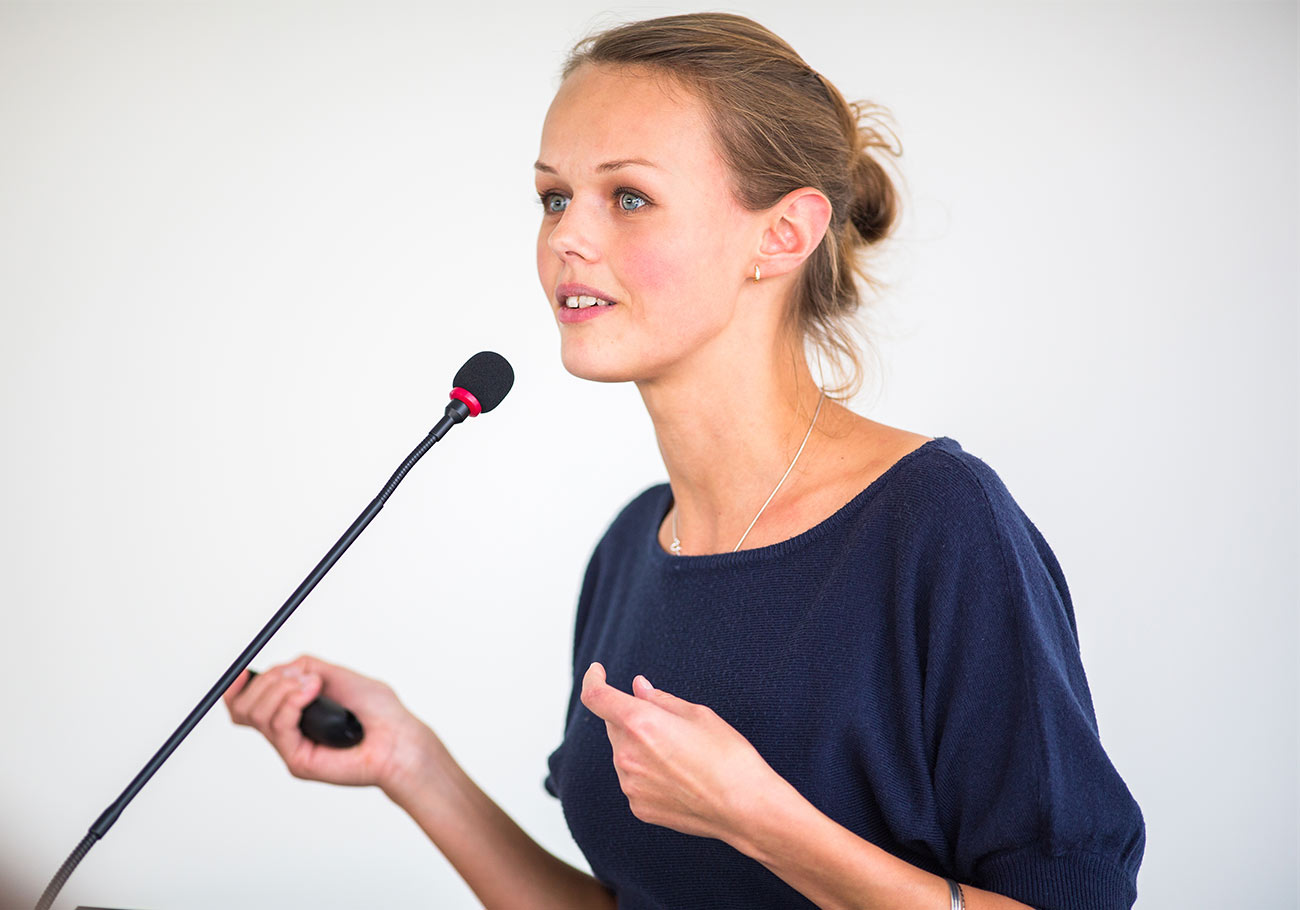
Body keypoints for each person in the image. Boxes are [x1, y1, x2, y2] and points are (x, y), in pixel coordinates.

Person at [224, 12, 1145, 909]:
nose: (566, 238)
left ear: (782, 235)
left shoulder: (940, 524)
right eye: (554, 198)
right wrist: (410, 763)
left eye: (628, 197)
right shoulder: (633, 549)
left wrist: (758, 818)